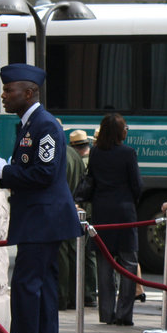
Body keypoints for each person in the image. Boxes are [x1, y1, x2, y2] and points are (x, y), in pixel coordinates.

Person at [0, 63, 82, 333]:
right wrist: (9, 170)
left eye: (9, 91)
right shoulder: (29, 125)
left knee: (28, 289)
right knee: (39, 290)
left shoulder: (45, 125)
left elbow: (44, 173)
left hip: (43, 221)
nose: (4, 96)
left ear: (28, 93)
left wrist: (6, 172)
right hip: (38, 220)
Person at [89, 113, 143, 326]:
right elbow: (137, 185)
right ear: (120, 132)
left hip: (102, 212)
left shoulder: (95, 153)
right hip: (124, 213)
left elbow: (91, 181)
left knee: (105, 264)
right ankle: (124, 314)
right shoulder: (128, 153)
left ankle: (106, 312)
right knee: (128, 263)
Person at [58, 129, 94, 310]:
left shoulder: (61, 154)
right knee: (77, 253)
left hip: (62, 209)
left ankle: (62, 297)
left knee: (62, 254)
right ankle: (77, 296)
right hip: (78, 209)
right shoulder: (74, 155)